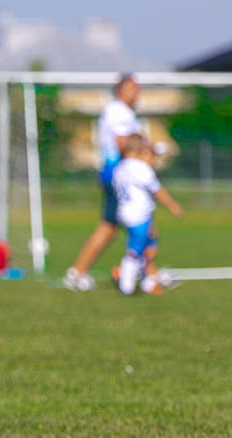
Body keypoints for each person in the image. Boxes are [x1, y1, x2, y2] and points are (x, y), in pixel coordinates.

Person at [64, 75, 141, 291]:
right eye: (133, 88)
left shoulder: (120, 111)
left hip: (114, 172)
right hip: (119, 173)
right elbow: (123, 145)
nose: (137, 93)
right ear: (121, 90)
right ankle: (149, 276)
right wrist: (142, 162)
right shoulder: (119, 112)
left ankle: (77, 273)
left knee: (109, 227)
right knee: (143, 223)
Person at [112, 135, 183, 295]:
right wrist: (173, 206)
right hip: (139, 215)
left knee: (148, 245)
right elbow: (157, 190)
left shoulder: (119, 168)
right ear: (139, 150)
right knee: (135, 250)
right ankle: (126, 284)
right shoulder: (140, 169)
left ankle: (149, 281)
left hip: (125, 213)